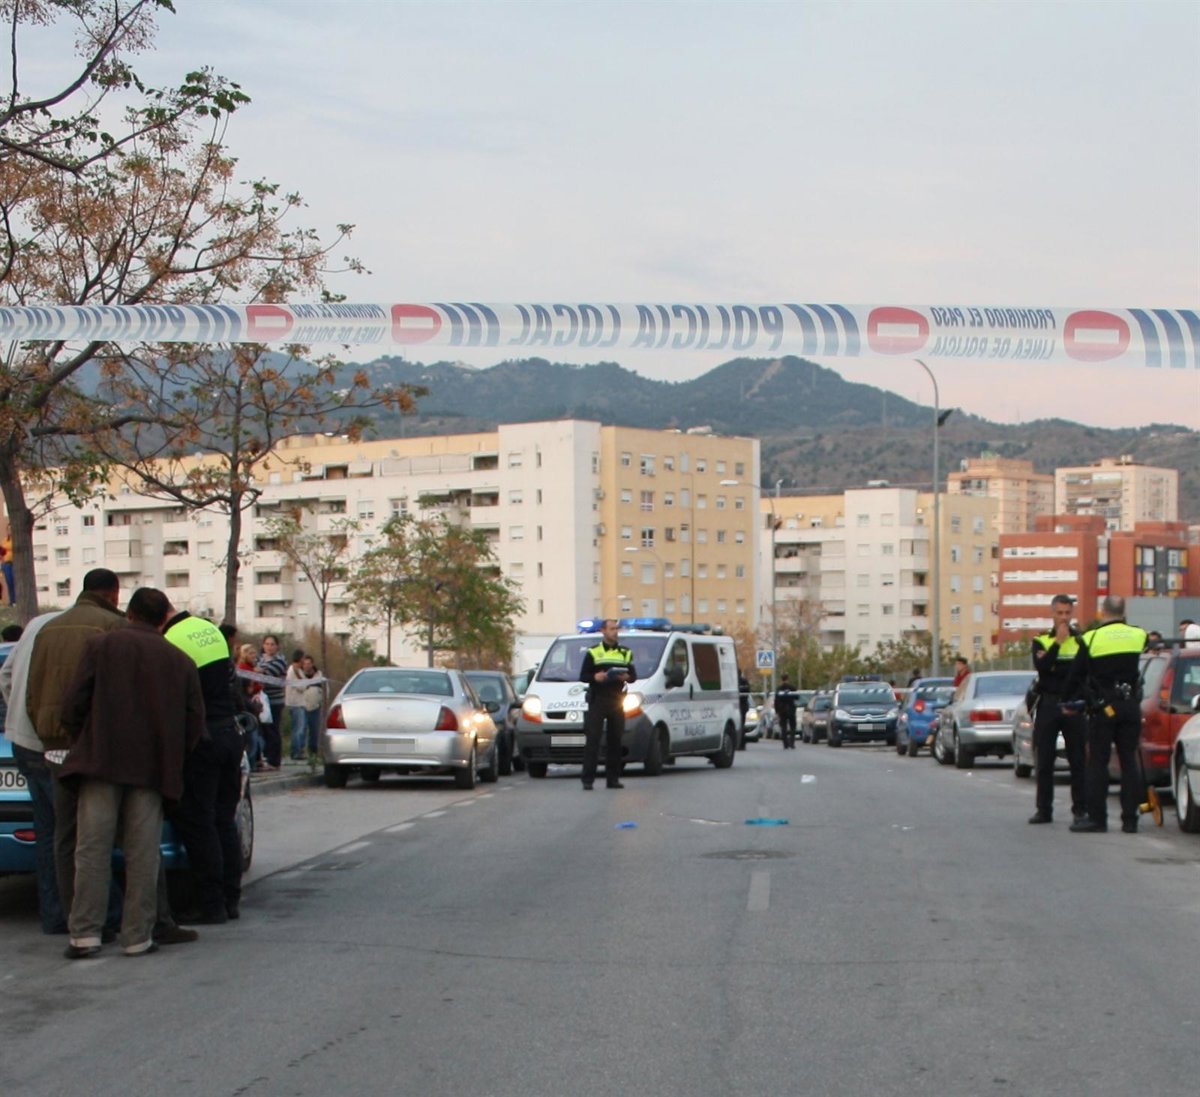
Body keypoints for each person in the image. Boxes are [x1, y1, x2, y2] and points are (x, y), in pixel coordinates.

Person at [59, 588, 204, 958]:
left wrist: (84, 738)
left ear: (129, 613)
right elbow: (194, 722)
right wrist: (172, 756)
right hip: (152, 770)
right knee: (143, 854)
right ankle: (138, 936)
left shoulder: (100, 646)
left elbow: (73, 704)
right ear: (163, 619)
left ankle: (85, 934)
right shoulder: (180, 660)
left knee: (92, 850)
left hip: (101, 762)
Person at [25, 568, 128, 930]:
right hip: (97, 745)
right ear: (113, 593)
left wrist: (46, 732)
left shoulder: (48, 629)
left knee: (65, 835)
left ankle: (74, 918)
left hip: (54, 746)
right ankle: (105, 916)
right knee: (102, 835)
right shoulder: (114, 626)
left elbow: (32, 690)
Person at [164, 603, 245, 922]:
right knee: (224, 820)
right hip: (229, 732)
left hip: (204, 738)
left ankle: (210, 905)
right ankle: (231, 898)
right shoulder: (208, 629)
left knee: (200, 821)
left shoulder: (172, 639)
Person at [0, 610, 66, 933]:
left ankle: (52, 913)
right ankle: (101, 911)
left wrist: (16, 721)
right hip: (52, 746)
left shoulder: (34, 627)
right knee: (72, 832)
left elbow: (6, 674)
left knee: (47, 832)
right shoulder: (94, 629)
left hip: (21, 743)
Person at [1064, 595, 1148, 834]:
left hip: (1103, 708)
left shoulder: (1091, 638)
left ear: (1102, 612)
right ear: (1124, 611)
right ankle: (1130, 820)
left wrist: (1066, 701)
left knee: (1098, 762)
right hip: (1130, 705)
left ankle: (1097, 819)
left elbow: (1076, 674)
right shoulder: (1138, 634)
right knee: (1128, 761)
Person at [1026, 594, 1087, 825]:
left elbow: (1082, 672)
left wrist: (1054, 666)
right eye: (1059, 613)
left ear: (1072, 614)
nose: (1063, 618)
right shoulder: (1041, 640)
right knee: (1044, 760)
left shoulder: (1081, 640)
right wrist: (1057, 644)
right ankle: (1044, 810)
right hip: (1049, 704)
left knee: (1078, 760)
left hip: (1073, 704)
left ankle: (1080, 810)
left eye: (1067, 613)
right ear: (1052, 613)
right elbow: (1042, 668)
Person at [578, 619, 637, 790]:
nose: (615, 632)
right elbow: (583, 676)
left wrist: (626, 677)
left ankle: (613, 779)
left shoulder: (625, 652)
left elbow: (633, 676)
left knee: (615, 740)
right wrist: (595, 677)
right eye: (612, 629)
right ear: (603, 631)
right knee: (593, 740)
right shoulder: (593, 652)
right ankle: (588, 780)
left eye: (616, 628)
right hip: (598, 699)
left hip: (617, 699)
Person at [255, 634, 288, 767]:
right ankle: (264, 757)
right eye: (267, 644)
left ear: (277, 646)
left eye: (272, 644)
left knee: (272, 730)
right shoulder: (259, 658)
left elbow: (267, 673)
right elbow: (253, 670)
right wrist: (256, 670)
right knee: (262, 730)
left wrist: (258, 670)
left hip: (274, 701)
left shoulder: (280, 661)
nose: (269, 647)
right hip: (261, 700)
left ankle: (274, 760)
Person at [298, 654, 325, 756]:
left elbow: (325, 690)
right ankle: (300, 751)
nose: (307, 666)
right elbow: (298, 688)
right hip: (302, 706)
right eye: (305, 664)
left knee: (314, 730)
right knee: (302, 729)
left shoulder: (319, 676)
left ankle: (313, 752)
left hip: (315, 706)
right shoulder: (299, 675)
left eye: (309, 663)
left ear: (312, 664)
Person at [285, 649, 309, 760]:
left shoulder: (299, 670)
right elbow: (300, 687)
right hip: (295, 703)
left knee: (301, 728)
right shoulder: (293, 671)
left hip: (300, 703)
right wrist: (305, 684)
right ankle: (295, 751)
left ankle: (299, 750)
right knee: (298, 729)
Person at [775, 674, 798, 749]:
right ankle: (792, 743)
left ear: (781, 680)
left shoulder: (779, 689)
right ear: (788, 679)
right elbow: (797, 697)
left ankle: (785, 744)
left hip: (782, 710)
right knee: (793, 727)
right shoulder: (792, 687)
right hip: (791, 709)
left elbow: (776, 701)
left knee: (783, 727)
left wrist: (777, 711)